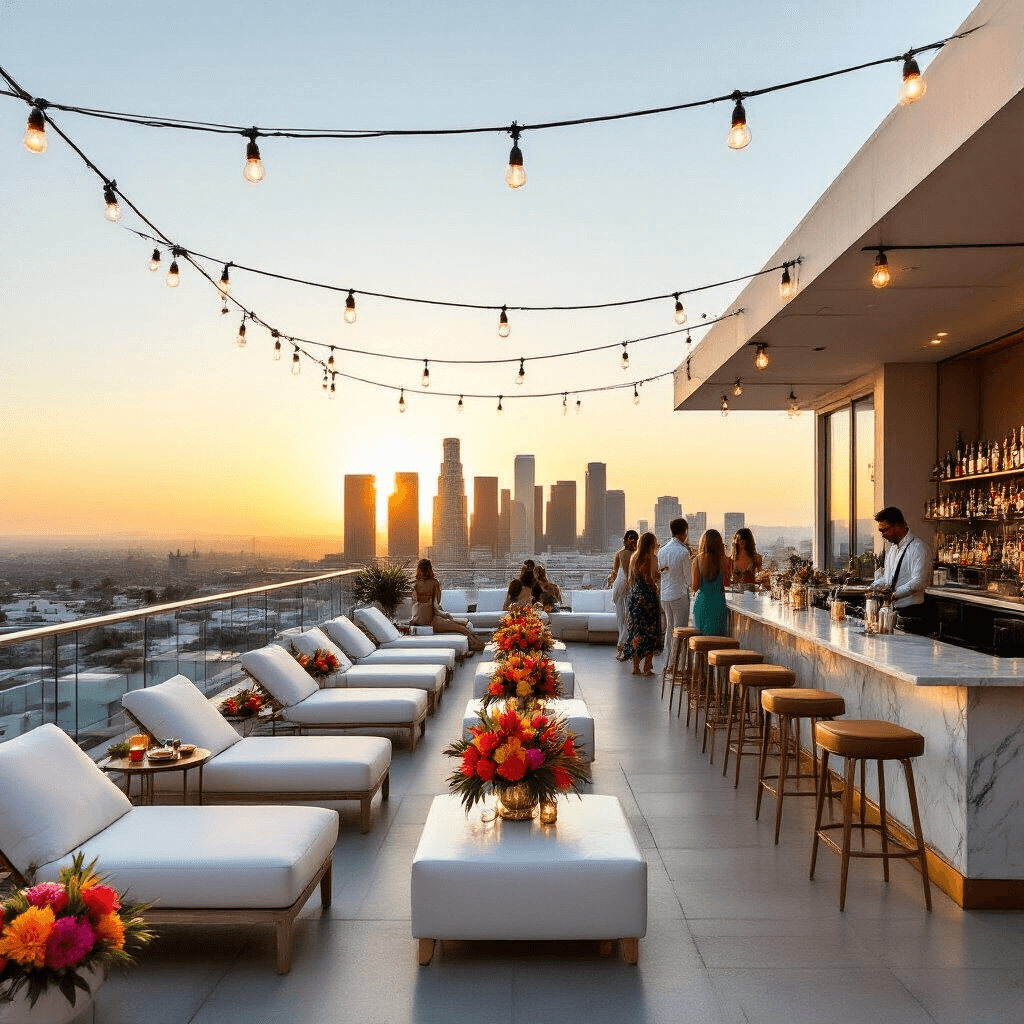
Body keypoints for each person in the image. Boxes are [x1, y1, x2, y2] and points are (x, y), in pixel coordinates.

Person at [868, 506, 933, 633]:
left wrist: (894, 594)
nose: (883, 535)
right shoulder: (892, 549)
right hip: (895, 611)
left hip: (913, 612)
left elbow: (919, 582)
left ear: (898, 526)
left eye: (885, 530)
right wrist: (872, 587)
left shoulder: (919, 547)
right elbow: (888, 579)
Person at [411, 559, 486, 651]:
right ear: (430, 568)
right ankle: (479, 645)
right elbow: (436, 605)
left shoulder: (415, 584)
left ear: (418, 569)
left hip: (418, 620)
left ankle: (476, 645)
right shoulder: (434, 582)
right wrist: (444, 614)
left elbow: (414, 606)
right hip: (431, 621)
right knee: (462, 629)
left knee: (461, 624)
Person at [622, 532, 663, 676]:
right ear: (651, 544)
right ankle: (647, 667)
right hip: (647, 598)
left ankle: (635, 666)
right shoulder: (649, 558)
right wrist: (655, 587)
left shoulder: (634, 558)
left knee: (636, 631)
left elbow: (634, 578)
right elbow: (647, 578)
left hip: (635, 597)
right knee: (651, 632)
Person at [658, 517, 693, 675]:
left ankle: (667, 663)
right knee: (680, 631)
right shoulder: (683, 552)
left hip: (665, 595)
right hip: (679, 595)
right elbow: (689, 579)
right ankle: (678, 666)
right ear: (684, 532)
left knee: (669, 630)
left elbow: (662, 573)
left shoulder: (662, 550)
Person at [692, 529, 732, 636]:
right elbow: (727, 583)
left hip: (702, 603)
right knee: (716, 641)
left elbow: (695, 587)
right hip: (718, 604)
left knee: (702, 641)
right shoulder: (725, 560)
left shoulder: (697, 559)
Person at [608, 530, 639, 660]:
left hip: (621, 587)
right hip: (627, 587)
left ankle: (622, 648)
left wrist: (611, 580)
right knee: (626, 620)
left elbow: (614, 572)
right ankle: (624, 648)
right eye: (631, 541)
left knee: (622, 620)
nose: (632, 543)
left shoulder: (620, 554)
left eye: (634, 541)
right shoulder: (636, 555)